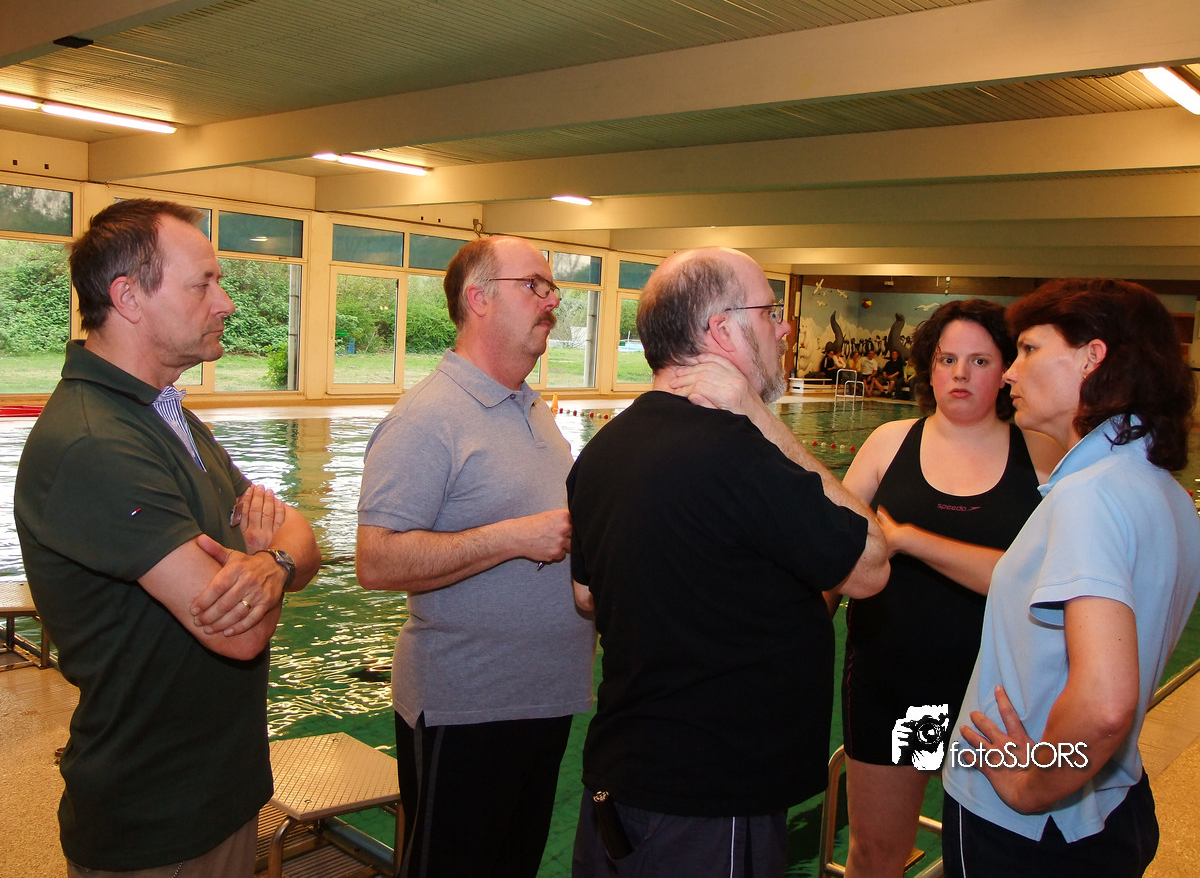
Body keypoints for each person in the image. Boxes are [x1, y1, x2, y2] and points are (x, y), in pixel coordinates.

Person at [13, 198, 321, 876]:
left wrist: (269, 563)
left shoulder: (165, 415)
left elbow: (301, 538)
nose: (226, 303)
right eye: (202, 284)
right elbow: (238, 634)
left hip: (217, 791)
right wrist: (270, 560)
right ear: (128, 298)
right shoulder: (95, 443)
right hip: (156, 820)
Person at [568, 247, 889, 878]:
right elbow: (870, 565)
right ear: (722, 330)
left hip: (619, 782)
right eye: (770, 312)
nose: (785, 328)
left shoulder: (604, 450)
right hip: (713, 802)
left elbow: (587, 595)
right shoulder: (741, 454)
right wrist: (762, 419)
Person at [356, 235, 597, 878]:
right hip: (465, 706)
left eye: (552, 287)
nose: (552, 301)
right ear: (479, 298)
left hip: (542, 697)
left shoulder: (531, 407)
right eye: (534, 286)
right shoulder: (427, 418)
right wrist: (513, 538)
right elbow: (376, 561)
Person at [941, 279, 1200, 877]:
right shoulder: (1163, 492)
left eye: (1029, 349)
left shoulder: (1090, 497)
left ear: (1092, 357)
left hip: (1029, 831)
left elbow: (1105, 705)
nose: (1010, 372)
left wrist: (1032, 785)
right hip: (1111, 806)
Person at [837, 299, 1061, 877]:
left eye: (979, 361)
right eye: (947, 359)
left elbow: (1039, 581)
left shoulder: (1039, 457)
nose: (960, 374)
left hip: (993, 698)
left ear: (1006, 371)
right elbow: (833, 553)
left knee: (990, 859)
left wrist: (909, 540)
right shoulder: (890, 443)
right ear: (929, 368)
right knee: (878, 853)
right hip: (899, 689)